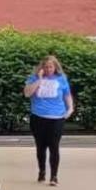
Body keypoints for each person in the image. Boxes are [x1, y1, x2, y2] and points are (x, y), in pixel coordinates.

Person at [24, 53, 73, 183]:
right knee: (41, 147)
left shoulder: (61, 79)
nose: (48, 70)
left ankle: (54, 176)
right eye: (45, 67)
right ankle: (42, 171)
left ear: (55, 67)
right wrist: (39, 79)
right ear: (41, 68)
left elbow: (67, 95)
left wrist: (70, 108)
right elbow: (27, 93)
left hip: (56, 117)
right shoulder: (33, 78)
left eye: (50, 67)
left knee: (54, 146)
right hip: (38, 117)